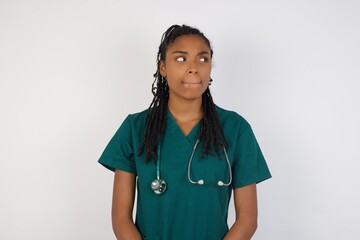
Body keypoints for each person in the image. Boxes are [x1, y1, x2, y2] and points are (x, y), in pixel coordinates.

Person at [98, 24, 271, 240]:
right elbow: (120, 218)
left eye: (203, 58)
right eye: (181, 59)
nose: (194, 67)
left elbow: (247, 220)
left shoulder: (236, 129)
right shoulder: (135, 128)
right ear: (163, 67)